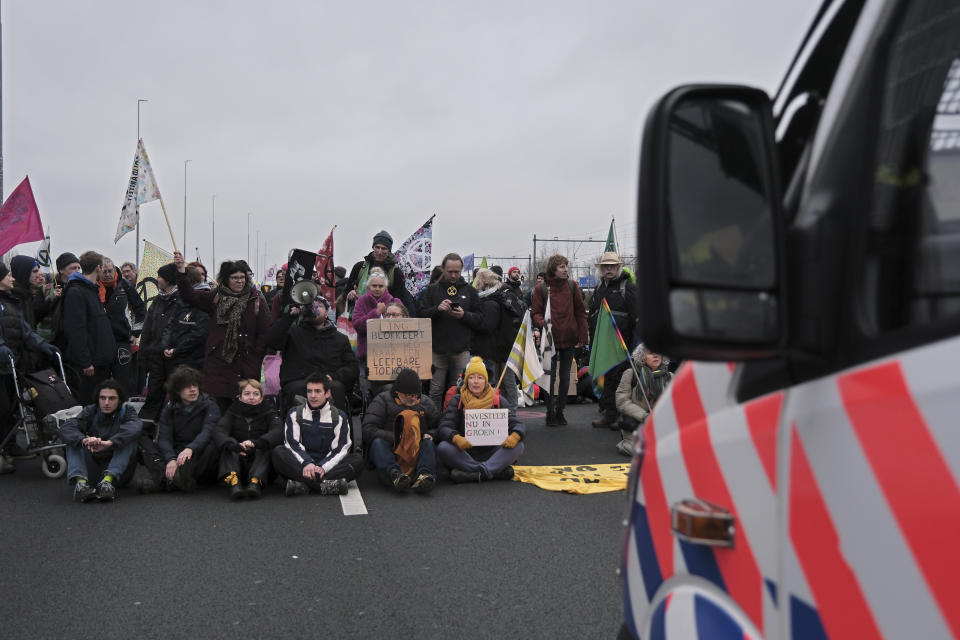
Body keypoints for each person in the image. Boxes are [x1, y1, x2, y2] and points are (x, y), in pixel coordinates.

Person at [172, 251, 269, 412]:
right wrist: (181, 271)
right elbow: (190, 296)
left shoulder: (255, 299)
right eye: (235, 278)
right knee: (219, 409)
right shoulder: (216, 297)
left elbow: (264, 332)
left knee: (244, 407)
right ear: (226, 279)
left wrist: (256, 354)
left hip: (246, 363)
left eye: (242, 278)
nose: (239, 281)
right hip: (220, 363)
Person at [0, 261, 60, 472]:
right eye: (8, 275)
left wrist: (44, 346)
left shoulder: (12, 302)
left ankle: (9, 446)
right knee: (3, 408)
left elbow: (26, 332)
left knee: (11, 408)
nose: (12, 278)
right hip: (3, 361)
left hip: (10, 365)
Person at [272, 372, 363, 496]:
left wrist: (322, 466)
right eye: (309, 391)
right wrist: (307, 463)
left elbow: (341, 448)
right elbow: (292, 444)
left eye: (318, 391)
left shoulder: (339, 416)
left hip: (327, 466)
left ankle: (304, 485)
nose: (313, 396)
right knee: (278, 452)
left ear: (327, 393)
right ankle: (325, 486)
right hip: (302, 465)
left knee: (357, 460)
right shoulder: (294, 413)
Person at [437, 357, 525, 483]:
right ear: (467, 381)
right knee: (443, 448)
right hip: (466, 452)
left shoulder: (498, 400)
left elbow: (517, 424)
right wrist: (456, 438)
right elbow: (444, 426)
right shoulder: (457, 400)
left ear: (486, 380)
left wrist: (516, 435)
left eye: (480, 378)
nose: (476, 382)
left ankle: (475, 473)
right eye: (472, 378)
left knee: (519, 445)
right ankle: (493, 471)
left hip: (493, 452)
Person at [265, 294, 357, 414]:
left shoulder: (340, 339)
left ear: (326, 313)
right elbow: (271, 341)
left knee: (336, 389)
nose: (315, 308)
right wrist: (289, 317)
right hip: (299, 383)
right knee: (296, 391)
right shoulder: (292, 334)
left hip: (329, 383)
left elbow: (352, 367)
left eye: (319, 306)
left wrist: (335, 376)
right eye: (312, 305)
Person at [415, 253, 483, 408]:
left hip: (461, 350)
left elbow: (480, 319)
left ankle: (454, 422)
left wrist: (464, 315)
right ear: (443, 269)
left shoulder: (470, 291)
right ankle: (434, 424)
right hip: (436, 350)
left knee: (459, 390)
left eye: (457, 272)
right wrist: (437, 310)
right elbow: (420, 315)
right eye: (450, 271)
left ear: (461, 270)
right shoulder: (431, 291)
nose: (453, 275)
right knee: (435, 391)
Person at [59, 379, 143, 502]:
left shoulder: (127, 411)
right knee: (73, 440)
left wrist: (111, 443)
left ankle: (107, 483)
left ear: (119, 400)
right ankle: (82, 486)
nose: (106, 402)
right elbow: (66, 428)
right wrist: (85, 440)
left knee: (131, 439)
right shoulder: (91, 410)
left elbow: (135, 427)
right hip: (94, 470)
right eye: (102, 398)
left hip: (119, 474)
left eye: (112, 398)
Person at [362, 368, 440, 492]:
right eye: (409, 395)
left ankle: (424, 476)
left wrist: (431, 434)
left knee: (428, 443)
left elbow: (439, 426)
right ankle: (395, 475)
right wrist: (398, 437)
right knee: (377, 443)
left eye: (416, 395)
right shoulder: (382, 400)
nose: (413, 399)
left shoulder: (425, 402)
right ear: (398, 392)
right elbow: (368, 429)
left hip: (416, 446)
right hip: (392, 446)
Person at [531, 254, 587, 426]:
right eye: (562, 267)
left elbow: (580, 311)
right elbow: (536, 312)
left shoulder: (572, 286)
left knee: (565, 378)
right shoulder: (541, 289)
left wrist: (582, 336)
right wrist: (543, 323)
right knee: (549, 377)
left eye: (566, 266)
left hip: (569, 337)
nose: (566, 270)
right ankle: (549, 411)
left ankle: (560, 410)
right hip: (550, 340)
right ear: (553, 268)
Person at [587, 252, 638, 428]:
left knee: (620, 382)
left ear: (618, 267)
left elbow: (637, 317)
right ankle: (609, 414)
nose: (608, 269)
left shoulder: (627, 287)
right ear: (601, 269)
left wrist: (634, 345)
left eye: (612, 266)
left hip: (621, 345)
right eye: (605, 266)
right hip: (602, 345)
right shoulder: (600, 287)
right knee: (607, 379)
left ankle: (621, 417)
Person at [213, 379, 283, 500]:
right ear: (239, 397)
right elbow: (219, 431)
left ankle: (255, 484)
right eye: (247, 394)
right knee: (227, 445)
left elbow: (277, 431)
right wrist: (235, 445)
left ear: (261, 398)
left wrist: (256, 443)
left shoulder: (269, 411)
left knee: (267, 447)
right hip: (238, 459)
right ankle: (234, 483)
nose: (251, 397)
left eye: (256, 394)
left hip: (261, 465)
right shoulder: (232, 411)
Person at [62, 251, 116, 404]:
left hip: (100, 361)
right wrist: (85, 361)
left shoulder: (91, 289)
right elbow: (76, 329)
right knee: (89, 404)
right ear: (98, 268)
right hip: (90, 365)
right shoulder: (76, 291)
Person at [156, 365, 221, 491]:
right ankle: (177, 479)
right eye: (187, 386)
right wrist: (171, 459)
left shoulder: (210, 405)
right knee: (147, 443)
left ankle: (167, 481)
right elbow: (164, 438)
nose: (192, 390)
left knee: (214, 445)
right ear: (177, 390)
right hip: (178, 454)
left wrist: (191, 448)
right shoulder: (169, 409)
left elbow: (207, 432)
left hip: (199, 454)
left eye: (195, 385)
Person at [470, 268, 526, 411]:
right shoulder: (502, 295)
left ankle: (509, 411)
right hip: (506, 343)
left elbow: (489, 325)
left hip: (496, 346)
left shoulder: (491, 300)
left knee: (501, 380)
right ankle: (508, 410)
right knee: (507, 380)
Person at [138, 262, 181, 420]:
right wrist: (143, 355)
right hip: (155, 357)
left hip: (174, 358)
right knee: (154, 395)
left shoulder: (181, 301)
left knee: (177, 397)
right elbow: (147, 330)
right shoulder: (157, 301)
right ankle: (147, 430)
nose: (157, 280)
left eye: (160, 277)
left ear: (169, 280)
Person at [99, 257, 147, 393]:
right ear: (98, 271)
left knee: (125, 382)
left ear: (114, 269)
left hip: (122, 341)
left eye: (110, 271)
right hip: (100, 342)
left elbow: (141, 310)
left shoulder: (124, 284)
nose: (108, 274)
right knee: (101, 382)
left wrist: (135, 333)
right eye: (104, 272)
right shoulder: (93, 286)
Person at [615, 345, 672, 456]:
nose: (656, 355)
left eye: (658, 352)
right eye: (651, 353)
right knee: (639, 451)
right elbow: (622, 402)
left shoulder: (670, 376)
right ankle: (625, 441)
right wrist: (645, 416)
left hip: (661, 424)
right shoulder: (631, 374)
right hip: (637, 423)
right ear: (642, 357)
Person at [343, 230, 414, 314]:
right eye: (377, 247)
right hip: (358, 316)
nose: (380, 252)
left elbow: (399, 300)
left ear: (389, 250)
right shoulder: (359, 267)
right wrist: (349, 294)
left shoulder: (396, 273)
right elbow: (346, 293)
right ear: (373, 247)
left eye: (384, 248)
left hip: (384, 319)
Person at [160, 265, 211, 372]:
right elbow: (170, 325)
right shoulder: (181, 299)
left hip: (194, 361)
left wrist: (177, 349)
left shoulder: (204, 300)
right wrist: (165, 347)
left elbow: (199, 333)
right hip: (175, 359)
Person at [352, 268, 395, 363]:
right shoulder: (361, 301)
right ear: (368, 286)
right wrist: (376, 313)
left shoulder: (395, 302)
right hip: (366, 355)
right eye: (374, 286)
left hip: (390, 354)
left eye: (381, 286)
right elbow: (357, 325)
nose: (377, 289)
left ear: (386, 287)